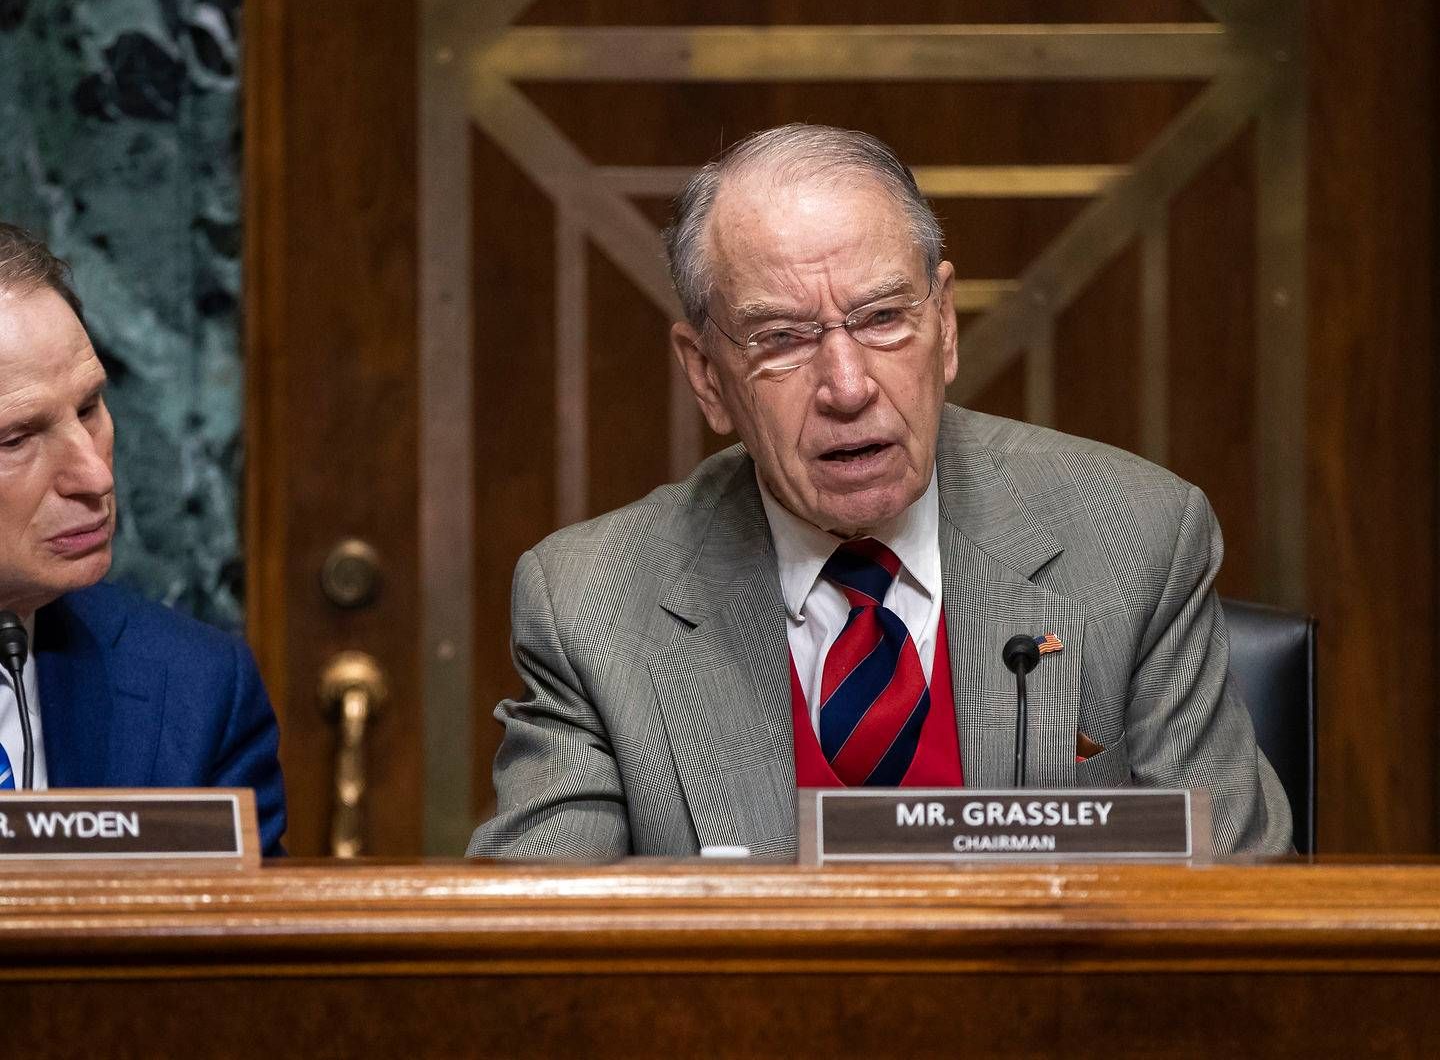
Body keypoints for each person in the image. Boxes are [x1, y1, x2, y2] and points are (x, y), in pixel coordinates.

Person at [468, 124, 1290, 859]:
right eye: (782, 338)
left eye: (883, 318)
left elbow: (1244, 912)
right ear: (706, 376)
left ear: (946, 327)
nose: (848, 385)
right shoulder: (588, 603)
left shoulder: (1135, 538)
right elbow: (534, 956)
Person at [0, 223, 285, 855]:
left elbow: (250, 948)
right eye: (16, 439)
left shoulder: (196, 689)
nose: (95, 475)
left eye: (90, 408)